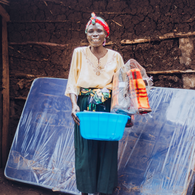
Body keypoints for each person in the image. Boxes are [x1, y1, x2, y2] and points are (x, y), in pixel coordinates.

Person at [65, 12, 124, 195]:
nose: (94, 34)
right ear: (86, 34)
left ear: (106, 34)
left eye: (99, 31)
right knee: (85, 150)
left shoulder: (116, 57)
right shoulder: (79, 53)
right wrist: (74, 105)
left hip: (107, 107)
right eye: (91, 31)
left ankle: (105, 191)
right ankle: (85, 191)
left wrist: (121, 110)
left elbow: (120, 86)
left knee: (107, 149)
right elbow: (73, 82)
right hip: (84, 106)